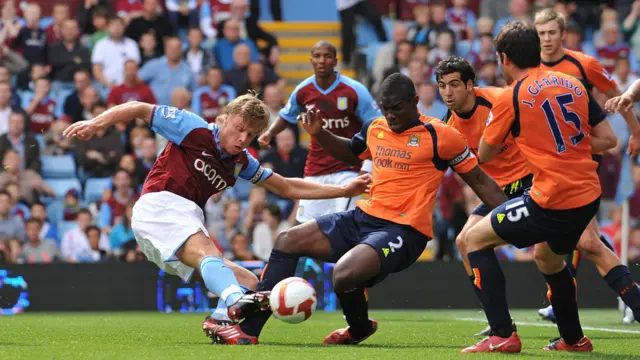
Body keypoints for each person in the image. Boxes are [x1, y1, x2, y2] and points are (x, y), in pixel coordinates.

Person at [210, 73, 507, 345]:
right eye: (386, 108)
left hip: (404, 230)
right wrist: (320, 133)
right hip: (362, 218)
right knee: (288, 241)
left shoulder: (442, 135)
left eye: (398, 108)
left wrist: (513, 214)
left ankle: (358, 327)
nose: (390, 116)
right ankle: (248, 331)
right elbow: (350, 151)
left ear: (415, 102)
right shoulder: (376, 126)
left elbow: (480, 181)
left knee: (344, 274)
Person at [63, 94, 370, 341]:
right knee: (216, 262)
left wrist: (344, 189)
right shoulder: (193, 128)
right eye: (239, 127)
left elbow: (287, 186)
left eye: (251, 134)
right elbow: (139, 108)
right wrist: (96, 123)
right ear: (224, 117)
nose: (242, 138)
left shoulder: (240, 162)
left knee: (251, 281)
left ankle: (220, 319)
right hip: (161, 204)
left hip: (176, 223)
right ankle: (234, 300)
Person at [460, 21, 618, 353]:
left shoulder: (510, 96)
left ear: (504, 58)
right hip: (588, 195)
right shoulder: (573, 83)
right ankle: (574, 340)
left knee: (473, 239)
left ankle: (502, 334)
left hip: (550, 199)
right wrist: (566, 146)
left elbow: (486, 155)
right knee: (547, 257)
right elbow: (607, 139)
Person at [534, 8, 640, 323]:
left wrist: (635, 131)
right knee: (580, 237)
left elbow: (617, 96)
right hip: (548, 160)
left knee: (580, 238)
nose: (547, 39)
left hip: (582, 156)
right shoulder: (529, 67)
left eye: (552, 32)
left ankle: (564, 302)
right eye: (541, 33)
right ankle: (572, 300)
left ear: (562, 33)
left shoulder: (584, 64)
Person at [258, 42, 379, 225]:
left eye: (327, 56)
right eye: (317, 56)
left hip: (349, 169)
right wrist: (269, 133)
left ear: (335, 61)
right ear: (311, 60)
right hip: (315, 168)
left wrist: (368, 165)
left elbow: (377, 128)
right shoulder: (303, 91)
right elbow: (286, 115)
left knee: (343, 223)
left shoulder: (355, 90)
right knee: (304, 225)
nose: (322, 61)